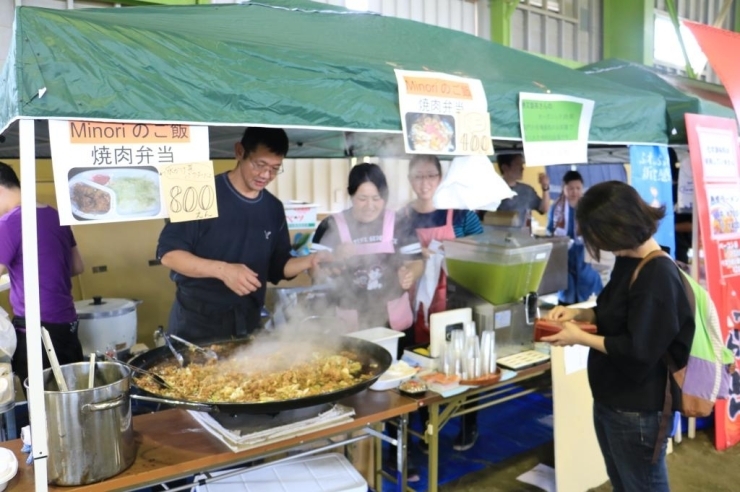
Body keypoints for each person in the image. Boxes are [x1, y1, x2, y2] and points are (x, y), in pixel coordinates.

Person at [542, 181, 694, 492]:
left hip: (638, 409)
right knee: (624, 484)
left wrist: (581, 338)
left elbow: (639, 350)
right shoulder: (630, 261)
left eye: (599, 235)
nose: (599, 244)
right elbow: (613, 312)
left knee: (643, 486)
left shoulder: (657, 276)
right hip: (613, 400)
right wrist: (579, 315)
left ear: (618, 226)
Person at [157, 127, 326, 342]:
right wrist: (224, 270)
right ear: (239, 152)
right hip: (197, 327)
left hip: (247, 325)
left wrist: (310, 260)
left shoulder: (273, 208)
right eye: (260, 165)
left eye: (275, 168)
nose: (266, 175)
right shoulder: (199, 191)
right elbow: (169, 254)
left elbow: (278, 267)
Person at [398, 154, 483, 453]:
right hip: (414, 303)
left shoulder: (459, 213)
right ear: (410, 180)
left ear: (440, 177)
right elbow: (393, 255)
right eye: (418, 176)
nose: (425, 182)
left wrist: (452, 250)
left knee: (461, 362)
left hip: (455, 300)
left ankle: (467, 423)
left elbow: (481, 249)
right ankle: (427, 428)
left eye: (431, 175)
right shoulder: (402, 217)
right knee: (419, 365)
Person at [0, 162, 85, 384]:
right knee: (70, 398)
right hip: (67, 325)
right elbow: (77, 267)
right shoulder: (56, 216)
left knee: (45, 410)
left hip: (38, 331)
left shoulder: (9, 223)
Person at [312, 163, 420, 331]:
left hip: (394, 321)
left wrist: (410, 274)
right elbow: (313, 273)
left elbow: (416, 261)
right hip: (346, 321)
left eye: (376, 198)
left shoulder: (399, 222)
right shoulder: (331, 225)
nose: (370, 206)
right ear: (351, 194)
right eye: (362, 199)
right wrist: (334, 258)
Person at [546, 170, 602, 304]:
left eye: (578, 188)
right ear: (563, 189)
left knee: (587, 289)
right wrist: (558, 240)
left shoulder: (588, 208)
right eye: (570, 188)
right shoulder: (556, 208)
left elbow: (596, 229)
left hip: (585, 254)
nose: (574, 192)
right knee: (566, 289)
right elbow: (549, 230)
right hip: (564, 255)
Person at [495, 153, 550, 228]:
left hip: (520, 237)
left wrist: (545, 187)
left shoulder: (527, 190)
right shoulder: (492, 190)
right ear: (505, 168)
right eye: (518, 165)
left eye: (522, 164)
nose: (522, 168)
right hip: (496, 236)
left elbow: (543, 209)